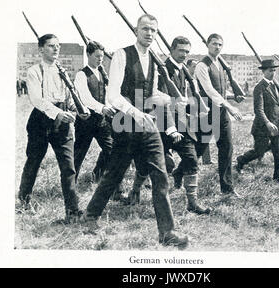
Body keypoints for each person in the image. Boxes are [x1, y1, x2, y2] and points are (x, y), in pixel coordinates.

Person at [81, 14, 189, 247]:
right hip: (126, 125)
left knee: (160, 176)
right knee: (115, 173)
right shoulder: (122, 55)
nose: (149, 33)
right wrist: (138, 114)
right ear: (135, 30)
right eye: (145, 29)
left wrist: (171, 100)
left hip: (148, 127)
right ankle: (90, 217)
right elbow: (113, 96)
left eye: (153, 30)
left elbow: (149, 94)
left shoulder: (154, 59)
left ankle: (167, 233)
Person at [126, 36, 211, 215]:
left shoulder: (183, 71)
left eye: (187, 51)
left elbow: (181, 99)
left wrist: (195, 109)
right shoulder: (161, 70)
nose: (184, 54)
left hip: (180, 126)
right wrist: (171, 129)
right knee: (145, 163)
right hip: (161, 125)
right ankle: (135, 191)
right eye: (181, 50)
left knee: (191, 159)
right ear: (171, 49)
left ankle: (192, 203)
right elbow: (161, 101)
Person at [18, 34, 88, 222]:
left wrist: (77, 110)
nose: (55, 49)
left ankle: (72, 211)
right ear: (41, 49)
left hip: (62, 121)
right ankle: (23, 202)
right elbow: (36, 99)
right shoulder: (34, 71)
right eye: (50, 46)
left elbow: (69, 97)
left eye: (57, 46)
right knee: (33, 162)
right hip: (41, 121)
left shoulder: (62, 71)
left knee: (68, 166)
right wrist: (57, 112)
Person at [193, 33, 243, 197]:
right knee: (198, 149)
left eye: (220, 44)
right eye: (214, 44)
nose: (217, 47)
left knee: (227, 148)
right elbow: (209, 90)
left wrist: (233, 96)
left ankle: (227, 189)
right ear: (207, 45)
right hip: (208, 113)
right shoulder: (202, 65)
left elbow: (221, 89)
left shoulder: (220, 64)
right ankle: (180, 173)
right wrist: (230, 106)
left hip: (221, 113)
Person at [73, 41, 116, 184]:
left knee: (111, 150)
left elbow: (106, 95)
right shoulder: (81, 74)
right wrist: (103, 108)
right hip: (86, 121)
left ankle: (97, 175)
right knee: (79, 154)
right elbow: (85, 98)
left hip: (101, 121)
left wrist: (108, 106)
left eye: (102, 57)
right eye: (97, 56)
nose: (100, 59)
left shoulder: (102, 73)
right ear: (88, 55)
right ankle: (70, 184)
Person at [235, 60, 279, 182]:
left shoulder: (276, 86)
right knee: (259, 151)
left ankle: (278, 179)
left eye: (274, 70)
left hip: (277, 125)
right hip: (262, 126)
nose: (272, 73)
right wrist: (268, 122)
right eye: (269, 70)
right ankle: (241, 160)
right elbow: (258, 109)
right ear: (263, 71)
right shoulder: (259, 87)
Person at [187, 58, 212, 165]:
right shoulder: (186, 79)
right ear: (187, 67)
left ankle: (206, 160)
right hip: (189, 109)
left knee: (204, 134)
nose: (196, 68)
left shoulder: (197, 79)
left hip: (198, 109)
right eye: (193, 66)